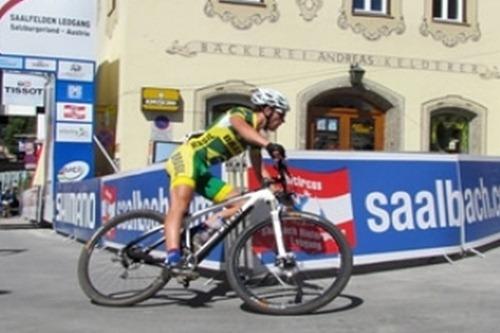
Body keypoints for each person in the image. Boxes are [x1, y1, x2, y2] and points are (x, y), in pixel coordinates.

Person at [163, 87, 289, 272]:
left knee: (242, 204)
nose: (282, 120)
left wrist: (272, 186)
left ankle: (200, 232)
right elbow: (240, 127)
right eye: (281, 114)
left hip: (202, 170)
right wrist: (268, 144)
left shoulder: (256, 138)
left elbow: (257, 166)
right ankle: (173, 257)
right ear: (268, 110)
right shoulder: (241, 113)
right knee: (180, 205)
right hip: (187, 157)